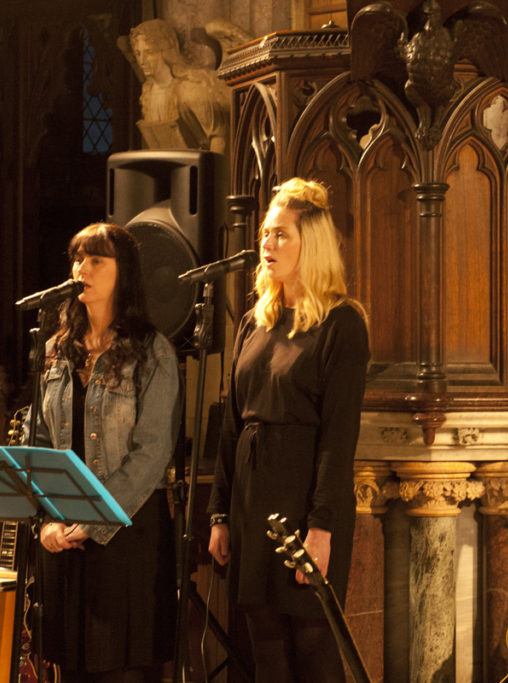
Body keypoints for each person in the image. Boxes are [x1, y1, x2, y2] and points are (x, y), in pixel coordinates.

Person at [207, 178, 370, 683]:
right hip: (252, 501)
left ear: (312, 244)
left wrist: (321, 527)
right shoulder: (256, 321)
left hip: (305, 502)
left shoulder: (342, 324)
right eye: (265, 234)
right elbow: (233, 423)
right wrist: (220, 512)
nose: (266, 245)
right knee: (265, 647)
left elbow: (339, 436)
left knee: (312, 641)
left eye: (281, 235)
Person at [26, 222, 181, 682]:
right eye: (77, 259)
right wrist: (49, 519)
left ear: (124, 273)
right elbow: (38, 442)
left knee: (123, 669)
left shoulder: (153, 353)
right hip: (65, 538)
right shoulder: (55, 350)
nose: (82, 269)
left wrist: (92, 522)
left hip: (125, 535)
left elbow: (152, 453)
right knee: (70, 668)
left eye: (96, 260)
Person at [122, 19, 230, 153]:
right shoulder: (147, 95)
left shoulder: (190, 91)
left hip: (204, 167)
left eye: (149, 52)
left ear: (166, 51)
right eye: (138, 53)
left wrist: (207, 172)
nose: (142, 61)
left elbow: (220, 137)